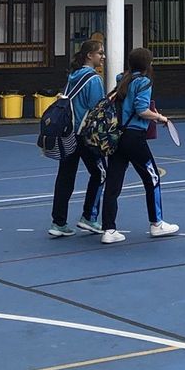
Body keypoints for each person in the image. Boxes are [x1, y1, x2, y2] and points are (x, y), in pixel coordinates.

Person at [99, 48, 178, 243]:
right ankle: (157, 223)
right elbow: (141, 110)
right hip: (134, 137)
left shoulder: (122, 79)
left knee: (113, 183)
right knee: (152, 178)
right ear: (148, 64)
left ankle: (109, 229)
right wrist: (160, 118)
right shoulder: (144, 82)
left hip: (117, 136)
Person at [50, 39, 108, 237]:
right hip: (85, 135)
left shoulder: (73, 77)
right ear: (90, 56)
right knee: (100, 173)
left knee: (65, 176)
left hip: (68, 134)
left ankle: (58, 222)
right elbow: (97, 109)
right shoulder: (93, 80)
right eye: (100, 53)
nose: (103, 56)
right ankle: (89, 217)